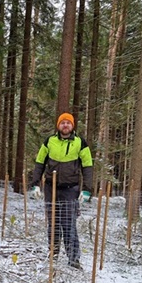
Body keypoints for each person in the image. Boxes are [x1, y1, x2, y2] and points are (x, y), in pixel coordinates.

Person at [30, 112, 93, 269]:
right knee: (53, 223)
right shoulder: (49, 141)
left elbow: (88, 166)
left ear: (72, 126)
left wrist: (86, 190)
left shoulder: (80, 143)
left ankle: (73, 259)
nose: (65, 125)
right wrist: (35, 184)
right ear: (58, 125)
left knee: (69, 223)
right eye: (62, 123)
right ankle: (53, 254)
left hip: (70, 189)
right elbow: (39, 163)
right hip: (51, 188)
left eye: (68, 123)